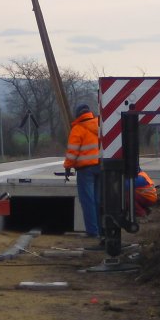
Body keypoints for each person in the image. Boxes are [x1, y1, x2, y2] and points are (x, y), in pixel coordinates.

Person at [64, 102, 102, 240]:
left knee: (88, 200)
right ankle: (101, 230)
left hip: (86, 170)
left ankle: (92, 231)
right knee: (98, 200)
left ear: (78, 115)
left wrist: (67, 166)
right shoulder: (100, 125)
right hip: (101, 166)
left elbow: (72, 152)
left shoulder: (78, 129)